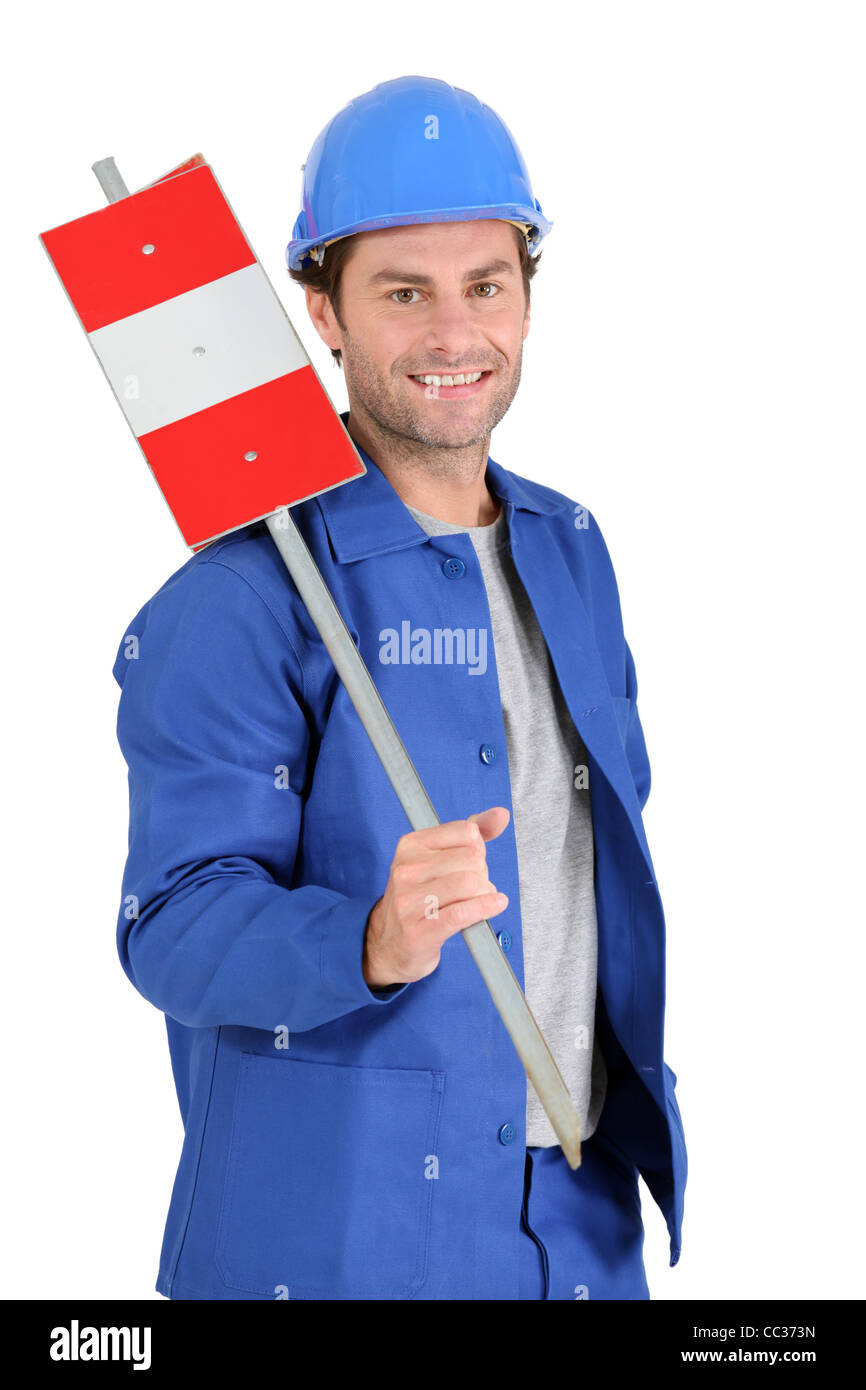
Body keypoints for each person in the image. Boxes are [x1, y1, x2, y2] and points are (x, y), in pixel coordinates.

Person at [113, 74, 686, 1301]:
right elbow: (171, 926)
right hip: (339, 1245)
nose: (450, 335)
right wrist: (369, 936)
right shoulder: (249, 591)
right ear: (320, 308)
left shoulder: (571, 550)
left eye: (484, 285)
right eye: (401, 292)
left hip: (577, 1231)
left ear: (528, 297)